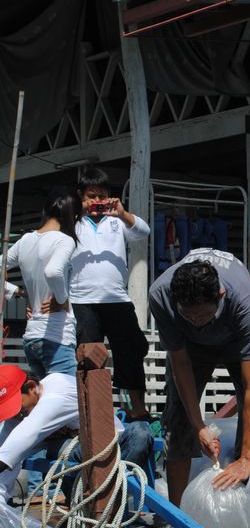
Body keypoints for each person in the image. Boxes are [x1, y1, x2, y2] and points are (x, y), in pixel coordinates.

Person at [148, 249, 250, 528]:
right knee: (177, 419)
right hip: (192, 350)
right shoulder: (161, 295)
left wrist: (246, 459)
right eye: (188, 315)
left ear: (219, 295)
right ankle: (176, 521)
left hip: (237, 339)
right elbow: (180, 364)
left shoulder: (240, 300)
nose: (196, 322)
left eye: (203, 315)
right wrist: (199, 427)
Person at [0, 364, 153, 507]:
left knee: (141, 430)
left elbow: (23, 436)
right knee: (63, 450)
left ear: (32, 387)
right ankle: (88, 502)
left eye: (18, 406)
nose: (17, 414)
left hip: (115, 445)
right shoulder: (20, 415)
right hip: (77, 453)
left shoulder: (55, 395)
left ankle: (112, 498)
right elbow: (6, 453)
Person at [69, 167, 150, 420]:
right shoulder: (71, 222)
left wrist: (123, 213)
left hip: (117, 299)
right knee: (88, 357)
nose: (96, 202)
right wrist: (75, 211)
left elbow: (143, 232)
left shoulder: (117, 220)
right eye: (91, 196)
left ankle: (134, 408)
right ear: (80, 196)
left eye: (102, 196)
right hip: (83, 302)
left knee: (130, 352)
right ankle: (92, 411)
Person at [5, 186, 82, 378]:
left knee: (44, 398)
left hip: (31, 337)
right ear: (73, 217)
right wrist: (62, 299)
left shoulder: (26, 240)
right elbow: (53, 271)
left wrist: (19, 292)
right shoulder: (64, 240)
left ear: (45, 211)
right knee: (67, 400)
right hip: (57, 337)